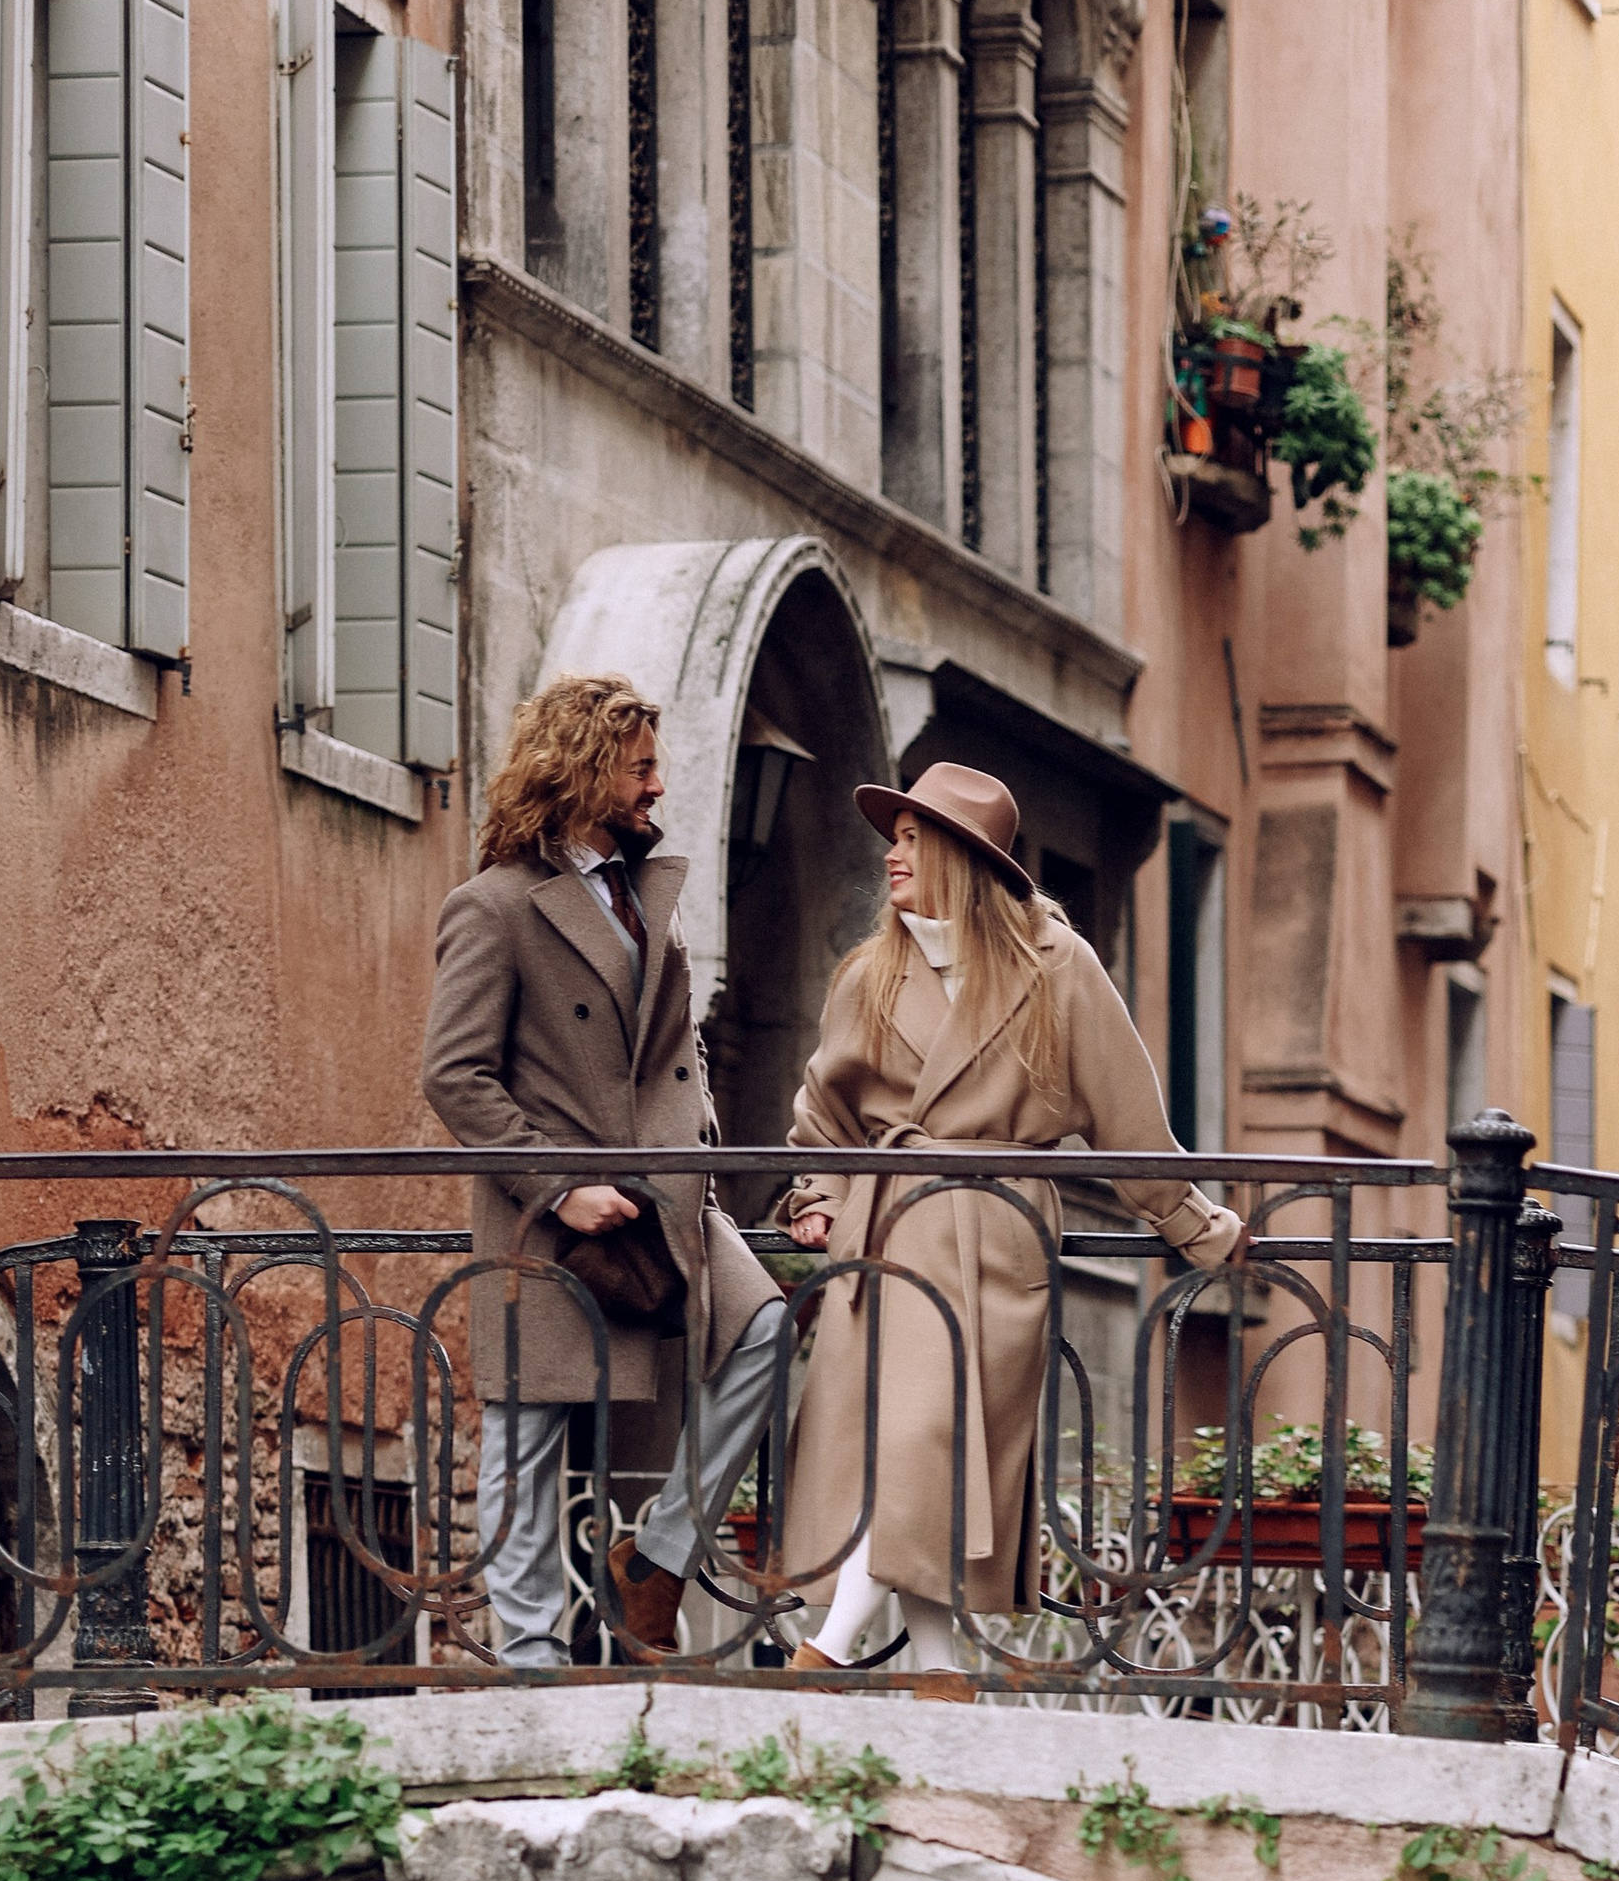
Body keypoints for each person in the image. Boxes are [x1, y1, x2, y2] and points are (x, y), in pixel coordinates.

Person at [779, 764, 1245, 1690]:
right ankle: (940, 1675)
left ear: (960, 854)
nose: (892, 853)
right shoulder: (869, 975)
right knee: (905, 1457)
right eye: (895, 836)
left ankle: (823, 1658)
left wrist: (1198, 1228)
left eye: (913, 838)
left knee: (923, 1451)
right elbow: (822, 1118)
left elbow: (1128, 1121)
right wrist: (816, 1196)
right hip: (888, 1235)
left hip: (994, 1244)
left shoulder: (1057, 967)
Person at [423, 674, 785, 1667]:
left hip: (666, 1194)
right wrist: (557, 1186)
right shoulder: (493, 909)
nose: (656, 788)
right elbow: (453, 1076)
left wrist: (700, 1133)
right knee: (528, 1429)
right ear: (581, 770)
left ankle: (656, 1554)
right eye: (640, 769)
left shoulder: (638, 899)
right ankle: (533, 1659)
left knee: (762, 1330)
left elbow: (676, 1044)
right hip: (555, 1208)